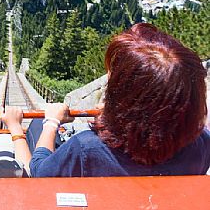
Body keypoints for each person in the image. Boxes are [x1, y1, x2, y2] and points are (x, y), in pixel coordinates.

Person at [29, 23, 210, 177]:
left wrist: (51, 122)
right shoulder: (201, 144)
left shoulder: (86, 148)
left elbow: (40, 171)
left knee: (37, 125)